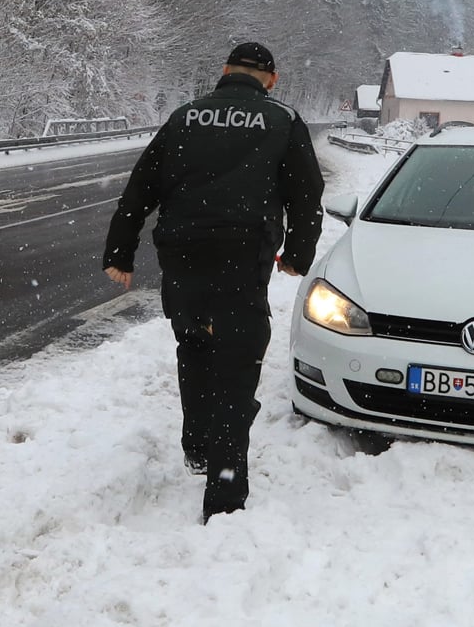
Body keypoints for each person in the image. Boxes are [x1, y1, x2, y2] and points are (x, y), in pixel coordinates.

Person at [102, 42, 323, 522]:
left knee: (195, 345)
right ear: (272, 79)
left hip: (182, 255)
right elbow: (307, 196)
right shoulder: (282, 119)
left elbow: (140, 187)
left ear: (224, 72)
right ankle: (224, 495)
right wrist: (298, 255)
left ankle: (198, 445)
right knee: (237, 367)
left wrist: (120, 251)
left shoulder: (185, 117)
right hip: (243, 257)